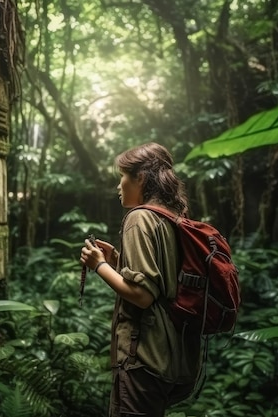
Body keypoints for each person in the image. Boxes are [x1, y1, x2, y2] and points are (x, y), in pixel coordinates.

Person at [79, 142, 201, 417]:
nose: (118, 186)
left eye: (122, 176)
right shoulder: (172, 218)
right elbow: (163, 282)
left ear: (141, 178)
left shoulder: (139, 218)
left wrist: (98, 265)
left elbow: (142, 295)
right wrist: (117, 263)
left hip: (144, 356)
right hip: (174, 357)